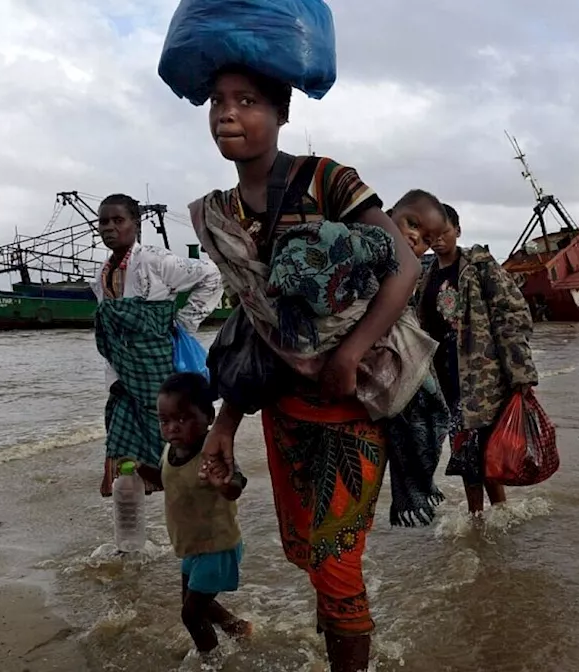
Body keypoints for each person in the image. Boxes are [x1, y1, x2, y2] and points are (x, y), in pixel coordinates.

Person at [187, 64, 430, 672]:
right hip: (285, 413)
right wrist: (224, 424)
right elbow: (254, 325)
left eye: (247, 100)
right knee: (312, 557)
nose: (228, 112)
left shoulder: (327, 180)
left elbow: (404, 265)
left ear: (282, 114)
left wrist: (349, 352)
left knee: (336, 561)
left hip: (354, 403)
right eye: (218, 101)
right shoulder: (221, 212)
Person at [396, 191, 538, 514]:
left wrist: (521, 373)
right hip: (447, 379)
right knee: (463, 452)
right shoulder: (426, 274)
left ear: (458, 230)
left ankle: (501, 514)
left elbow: (512, 315)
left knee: (488, 450)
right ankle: (476, 518)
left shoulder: (478, 267)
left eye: (445, 232)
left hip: (482, 380)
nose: (439, 240)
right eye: (433, 236)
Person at [92, 194, 224, 497]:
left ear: (135, 225)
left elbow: (211, 275)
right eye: (103, 222)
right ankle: (136, 519)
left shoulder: (154, 260)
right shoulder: (102, 272)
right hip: (123, 373)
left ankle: (191, 493)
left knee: (168, 431)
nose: (109, 227)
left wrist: (185, 323)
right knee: (122, 438)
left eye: (118, 220)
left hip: (155, 366)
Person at [156, 372, 251, 665]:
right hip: (193, 546)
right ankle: (238, 627)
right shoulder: (170, 450)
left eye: (182, 419)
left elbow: (237, 482)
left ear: (209, 416)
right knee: (197, 604)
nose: (172, 428)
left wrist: (222, 484)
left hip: (216, 547)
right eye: (165, 420)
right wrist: (140, 472)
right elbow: (169, 481)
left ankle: (212, 661)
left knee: (191, 613)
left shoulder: (211, 456)